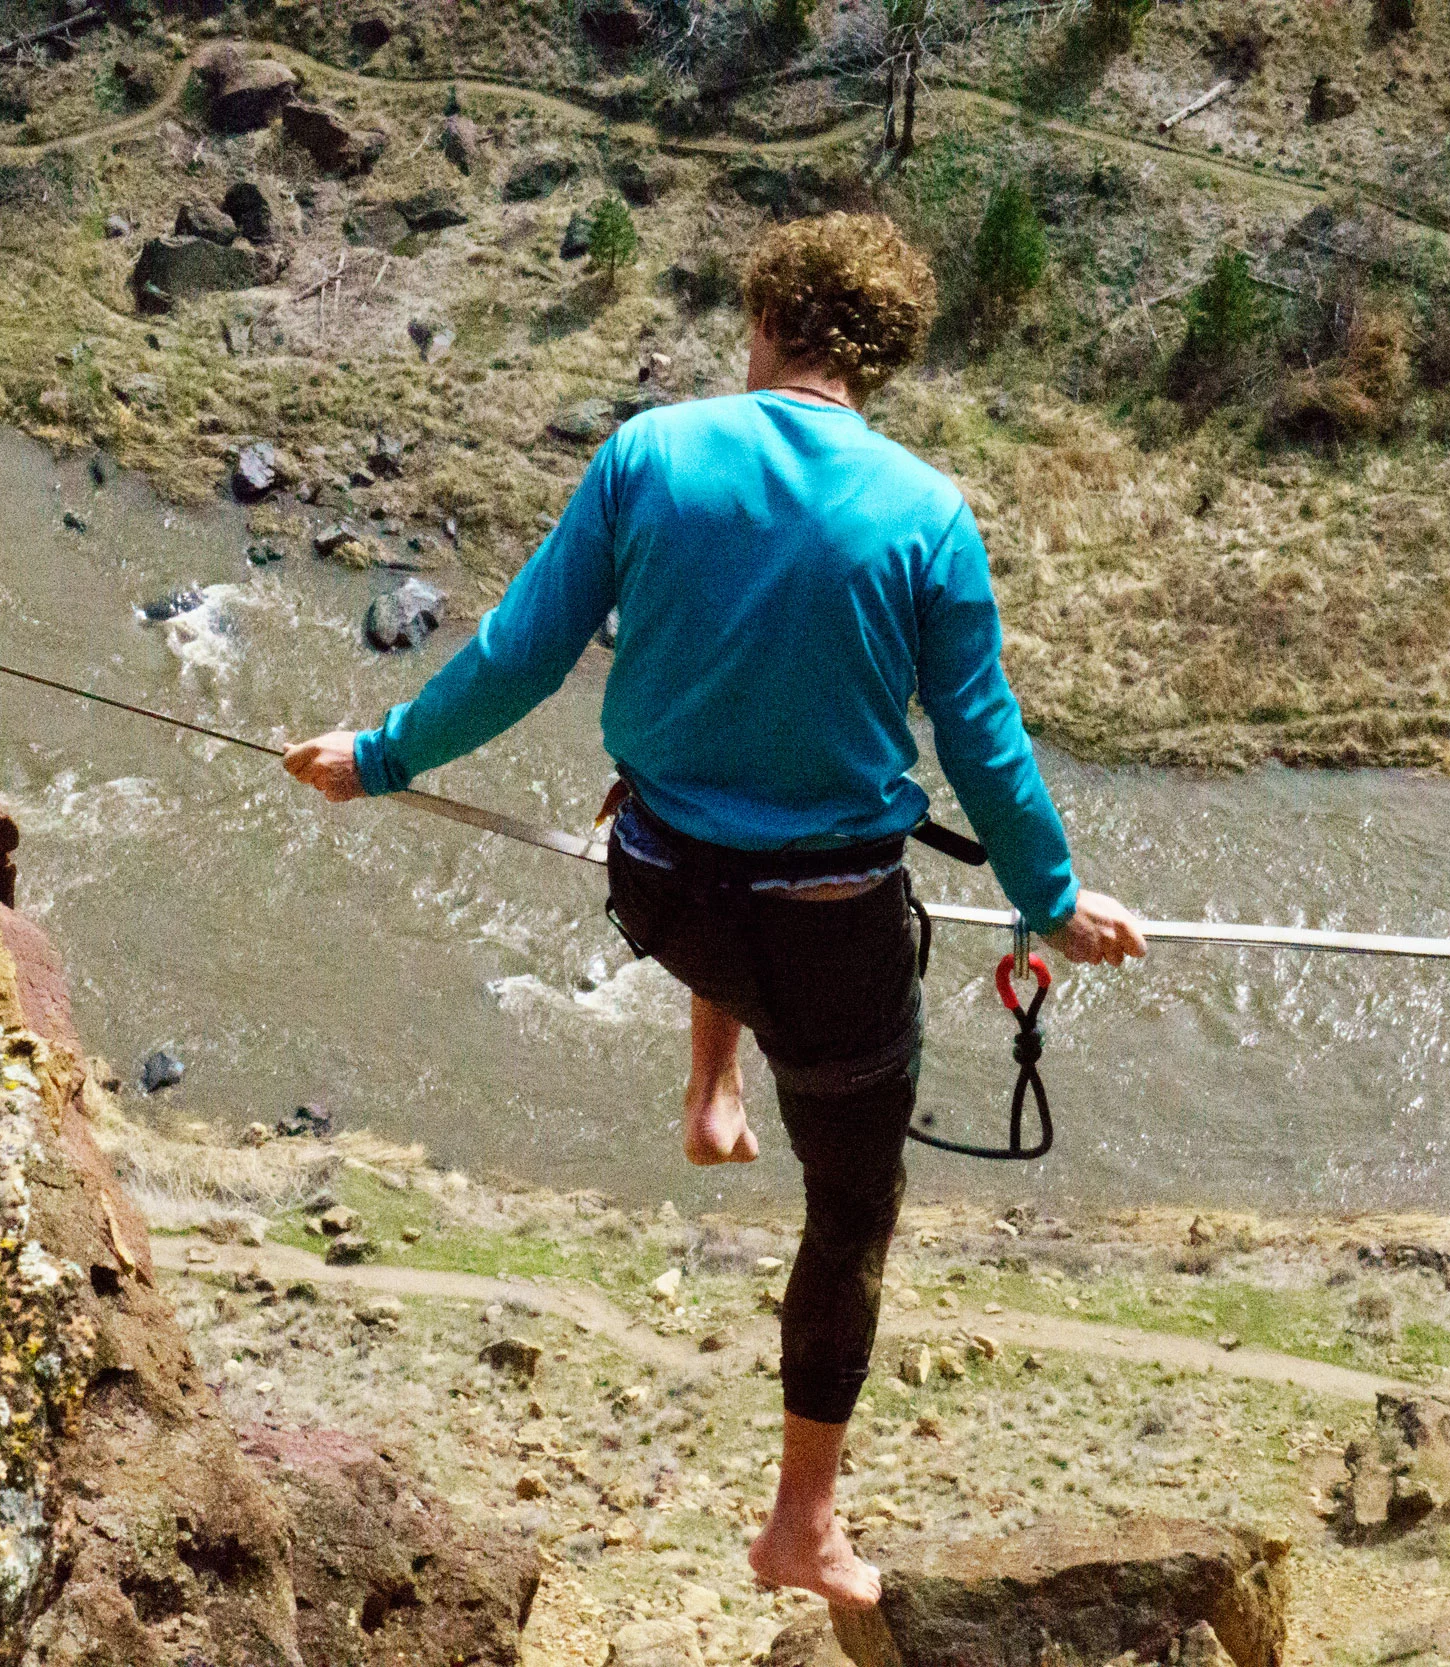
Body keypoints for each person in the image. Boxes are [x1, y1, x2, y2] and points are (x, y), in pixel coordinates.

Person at [283, 212, 1146, 1609]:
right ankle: (802, 1521)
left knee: (699, 828)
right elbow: (982, 740)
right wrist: (1050, 902)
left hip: (666, 891)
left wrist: (380, 757)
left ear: (766, 328)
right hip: (827, 927)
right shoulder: (926, 511)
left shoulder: (648, 454)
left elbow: (516, 654)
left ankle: (711, 1085)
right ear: (879, 358)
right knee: (852, 1207)